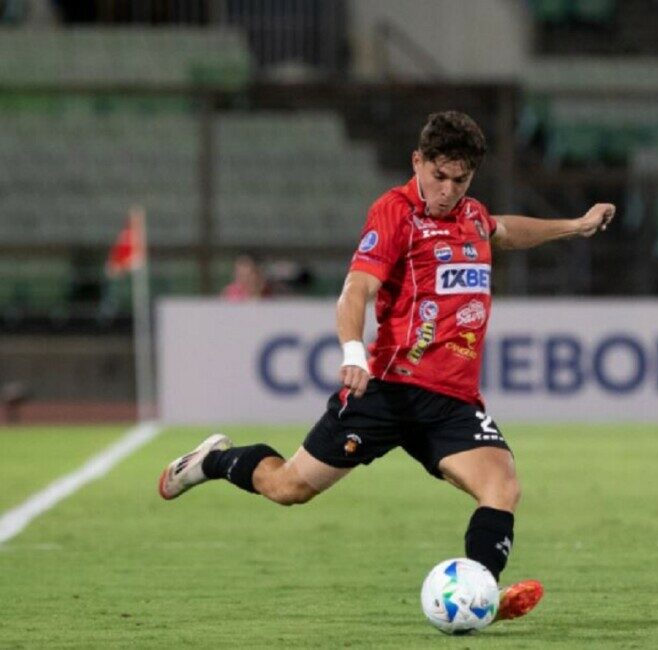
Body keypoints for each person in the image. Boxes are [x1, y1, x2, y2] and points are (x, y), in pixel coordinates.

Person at [158, 111, 615, 623]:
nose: (447, 191)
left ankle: (480, 592)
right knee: (288, 488)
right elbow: (357, 288)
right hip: (389, 389)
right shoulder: (395, 213)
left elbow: (505, 231)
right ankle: (213, 461)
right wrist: (353, 351)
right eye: (438, 176)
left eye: (460, 180)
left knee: (502, 487)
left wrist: (575, 226)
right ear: (417, 162)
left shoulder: (472, 216)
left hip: (452, 401)